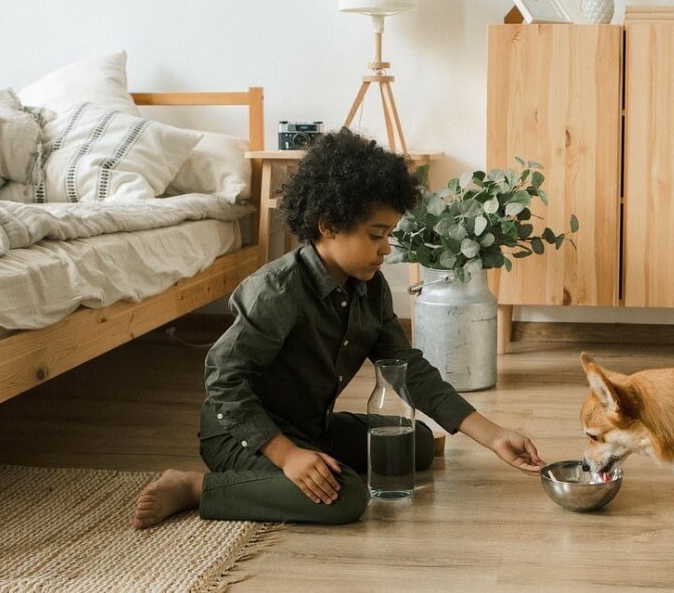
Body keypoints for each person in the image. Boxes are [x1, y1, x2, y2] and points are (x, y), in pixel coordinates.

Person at [133, 129, 545, 528]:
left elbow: (406, 367)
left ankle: (309, 461)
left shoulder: (370, 286)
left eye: (389, 235)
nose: (387, 249)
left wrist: (493, 437)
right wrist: (287, 454)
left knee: (415, 441)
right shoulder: (277, 291)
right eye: (377, 235)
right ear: (329, 226)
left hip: (312, 427)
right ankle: (195, 487)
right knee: (346, 498)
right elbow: (223, 380)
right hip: (243, 434)